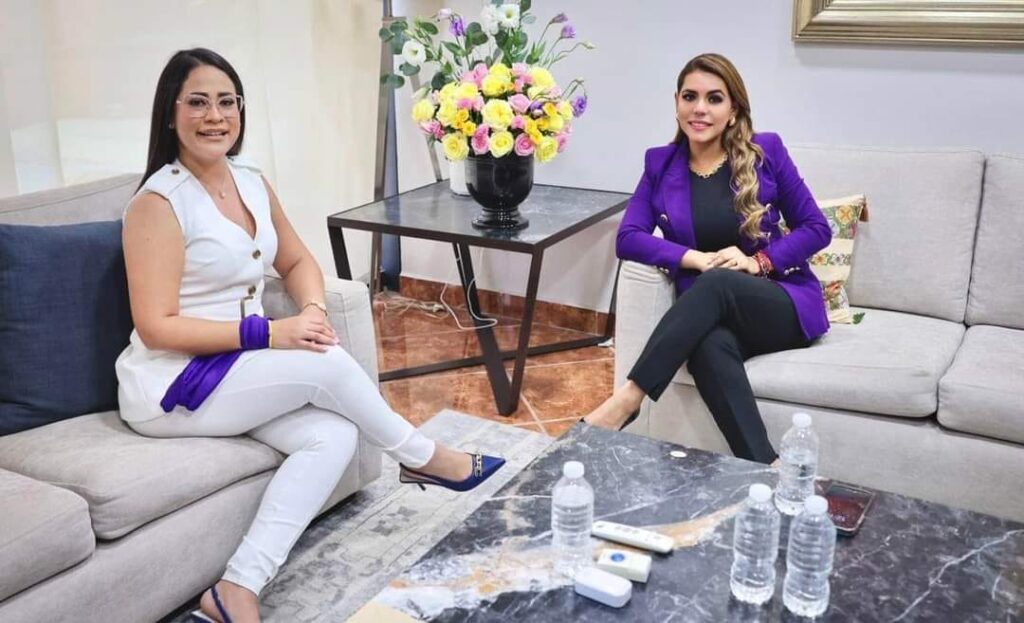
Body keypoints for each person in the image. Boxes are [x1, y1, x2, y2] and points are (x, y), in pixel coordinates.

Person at [115, 48, 504, 623]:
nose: (215, 116)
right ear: (170, 115)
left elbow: (297, 261)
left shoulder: (249, 180)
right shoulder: (157, 203)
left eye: (227, 102)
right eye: (197, 102)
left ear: (241, 110)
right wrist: (270, 332)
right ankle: (422, 456)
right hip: (173, 383)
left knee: (332, 434)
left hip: (234, 370)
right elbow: (156, 327)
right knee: (325, 364)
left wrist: (314, 311)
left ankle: (235, 589)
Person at [584, 53, 831, 464]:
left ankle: (627, 399)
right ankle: (767, 468)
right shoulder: (660, 164)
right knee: (707, 349)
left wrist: (757, 262)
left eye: (714, 99)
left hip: (778, 304)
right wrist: (693, 258)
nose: (700, 108)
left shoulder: (766, 151)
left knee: (716, 281)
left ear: (733, 110)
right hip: (713, 312)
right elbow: (628, 238)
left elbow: (816, 228)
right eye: (690, 96)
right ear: (676, 103)